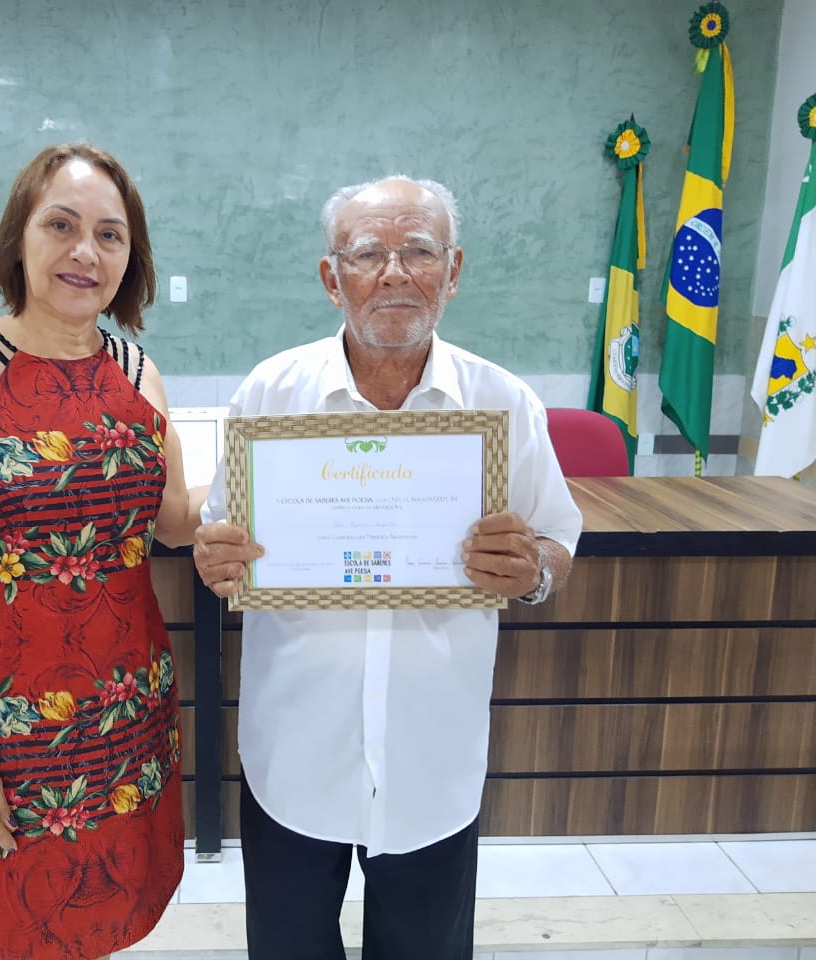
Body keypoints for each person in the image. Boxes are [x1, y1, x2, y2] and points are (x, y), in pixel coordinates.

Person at [193, 176, 584, 960]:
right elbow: (220, 541)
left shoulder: (503, 404)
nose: (396, 273)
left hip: (431, 757)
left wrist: (532, 570)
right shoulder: (271, 393)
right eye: (369, 254)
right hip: (295, 751)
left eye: (420, 252)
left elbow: (557, 546)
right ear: (331, 277)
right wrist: (217, 558)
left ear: (453, 270)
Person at [0, 142, 199, 960]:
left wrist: (295, 480)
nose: (85, 252)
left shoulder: (139, 371)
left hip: (126, 716)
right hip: (7, 731)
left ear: (131, 257)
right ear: (18, 240)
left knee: (108, 920)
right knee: (9, 928)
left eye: (109, 234)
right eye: (60, 225)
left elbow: (173, 520)